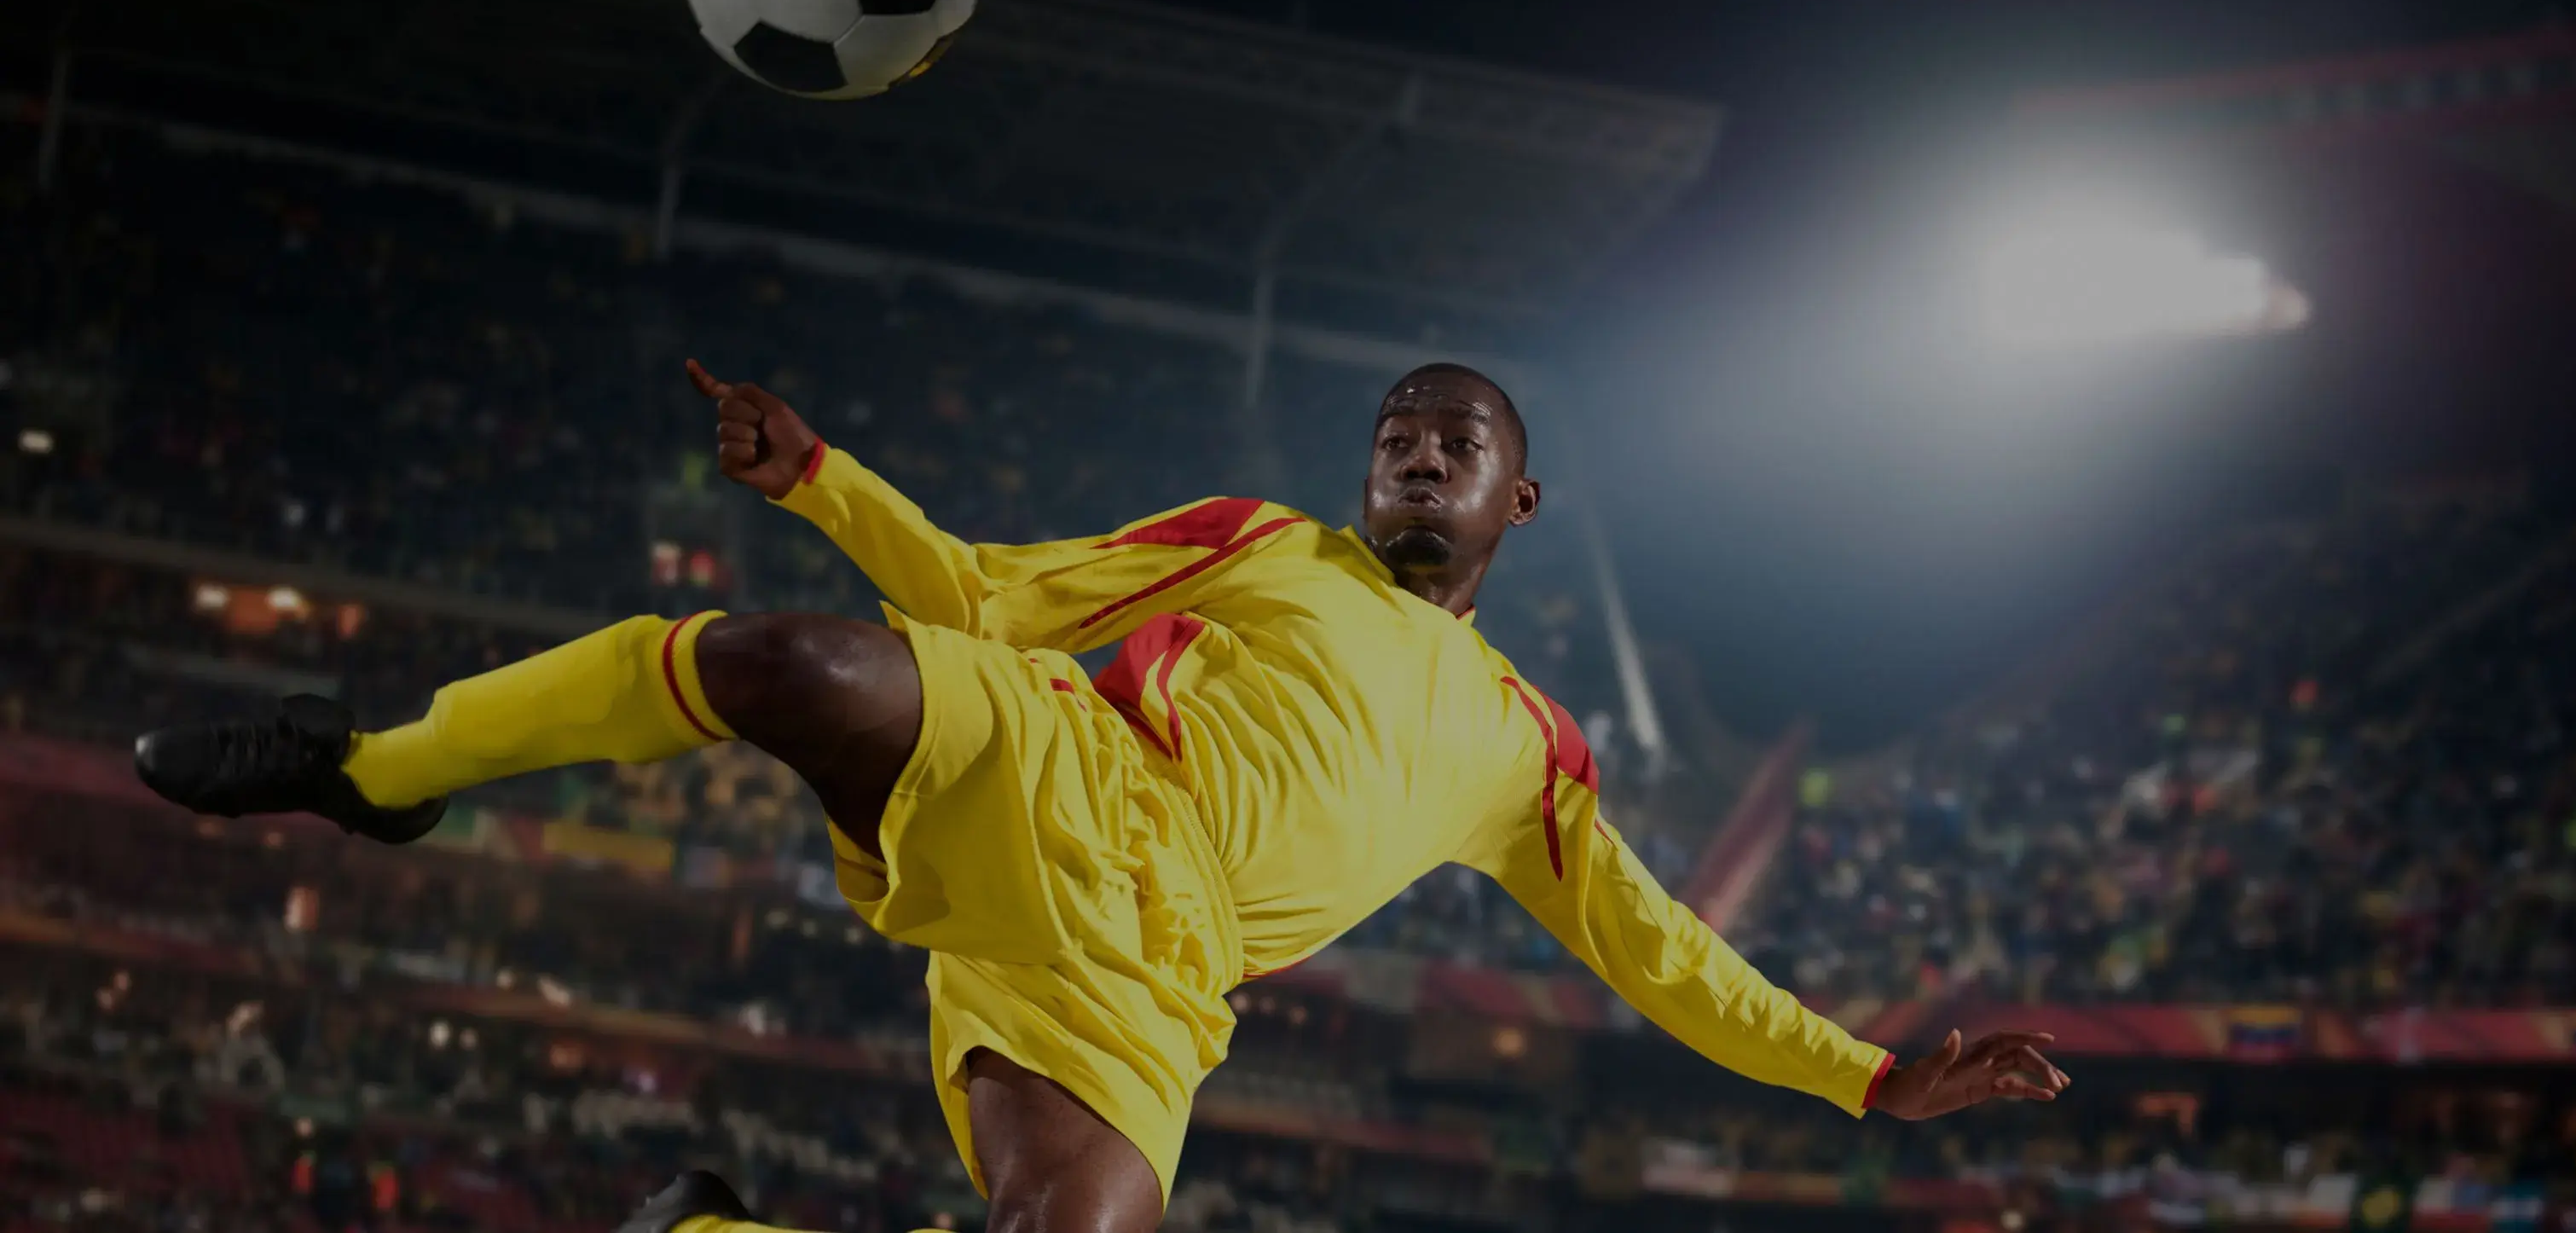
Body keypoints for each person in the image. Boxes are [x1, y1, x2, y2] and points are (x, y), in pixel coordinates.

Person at [137, 359, 2068, 1233]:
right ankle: (377, 769)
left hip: (1145, 978)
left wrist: (1871, 1080)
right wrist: (823, 480)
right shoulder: (1264, 541)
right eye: (1398, 434)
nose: (1418, 454)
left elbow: (1661, 953)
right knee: (780, 662)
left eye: (1457, 440)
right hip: (1053, 768)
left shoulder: (1530, 748)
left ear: (1517, 500)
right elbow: (988, 596)